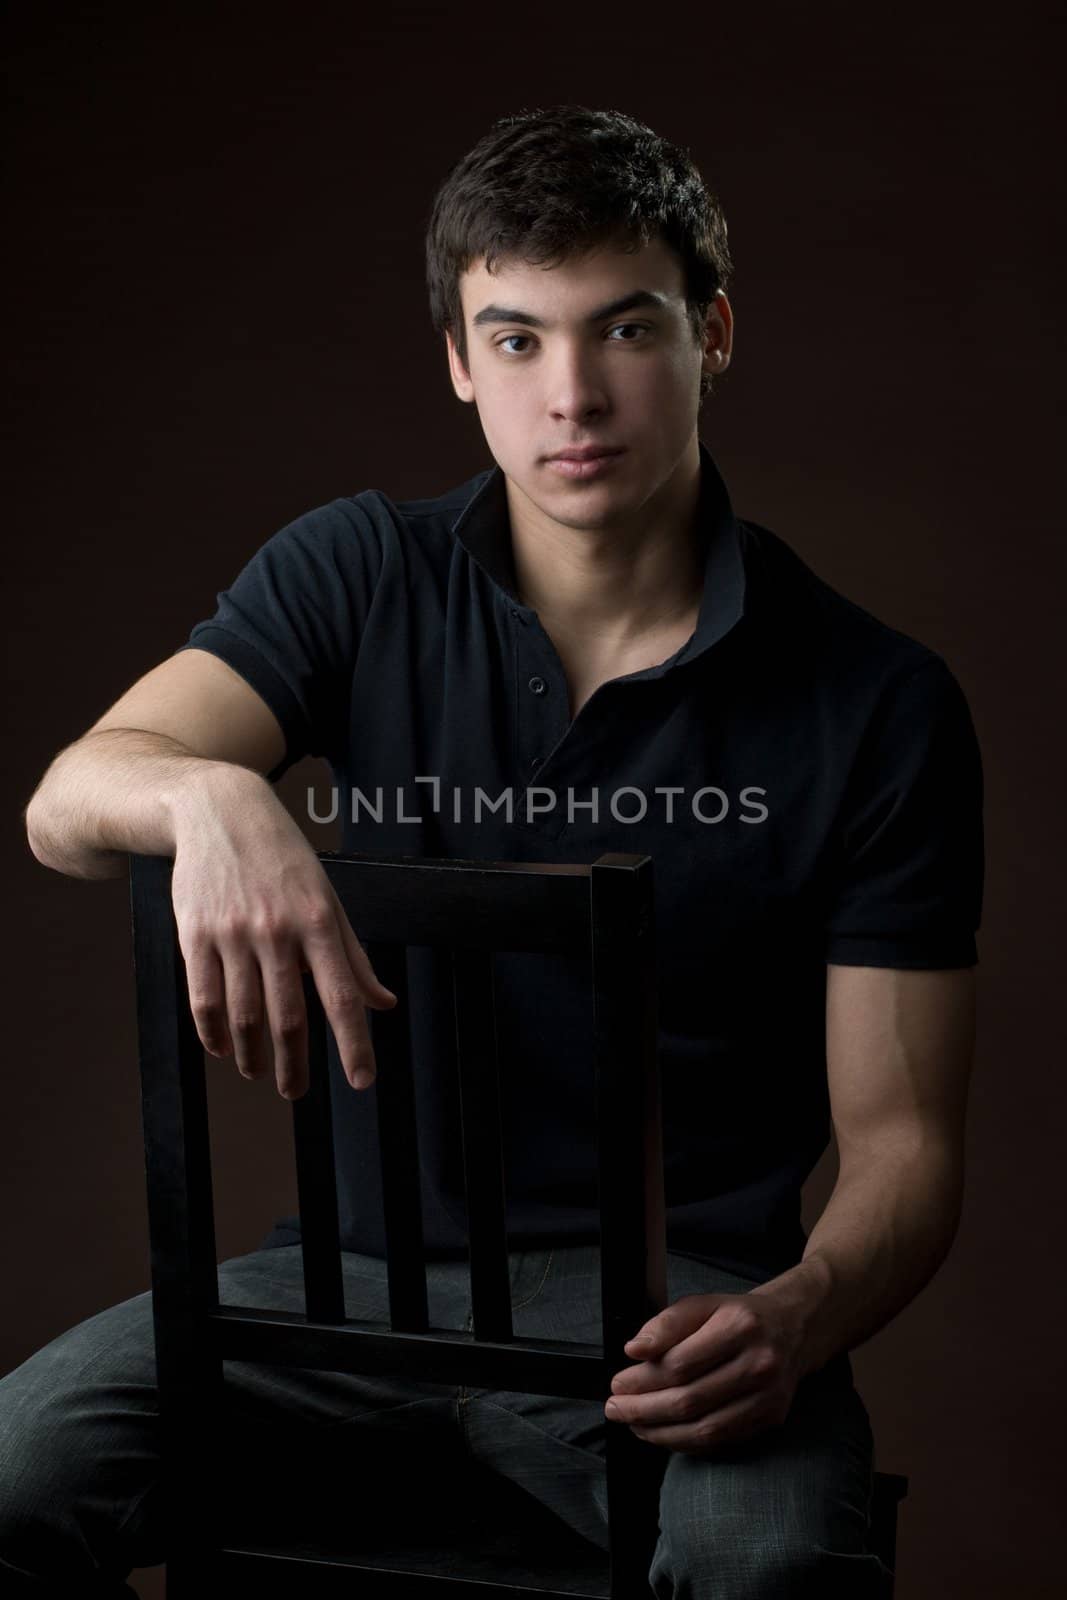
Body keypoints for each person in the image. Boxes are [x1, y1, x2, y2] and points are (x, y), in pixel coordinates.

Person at [8, 105, 982, 1597]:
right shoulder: (355, 571)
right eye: (516, 340)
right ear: (461, 364)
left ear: (712, 333)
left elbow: (906, 1143)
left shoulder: (879, 702)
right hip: (335, 1299)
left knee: (771, 1575)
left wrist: (800, 1312)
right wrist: (218, 802)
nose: (572, 395)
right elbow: (76, 796)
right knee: (15, 1476)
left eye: (626, 329)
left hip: (674, 1317)